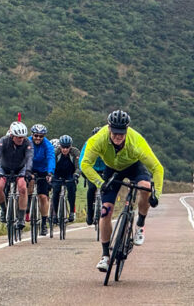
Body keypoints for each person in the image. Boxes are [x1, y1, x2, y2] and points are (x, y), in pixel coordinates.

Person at [79, 110, 163, 272]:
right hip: (112, 168)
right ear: (109, 128)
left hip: (134, 167)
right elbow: (85, 164)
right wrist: (100, 183)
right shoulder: (99, 139)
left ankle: (140, 224)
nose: (118, 136)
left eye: (122, 133)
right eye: (115, 132)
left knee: (145, 187)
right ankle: (105, 256)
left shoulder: (136, 142)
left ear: (127, 130)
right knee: (105, 211)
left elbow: (157, 168)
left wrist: (156, 194)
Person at [0, 121, 33, 229]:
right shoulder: (4, 141)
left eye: (22, 137)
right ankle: (4, 209)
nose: (21, 139)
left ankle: (20, 217)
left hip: (20, 168)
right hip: (4, 168)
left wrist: (28, 171)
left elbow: (29, 157)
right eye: (18, 137)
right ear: (11, 136)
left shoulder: (27, 143)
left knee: (22, 188)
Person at [29, 124, 55, 236]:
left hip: (43, 170)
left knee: (43, 197)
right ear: (32, 135)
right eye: (36, 135)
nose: (38, 138)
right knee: (27, 185)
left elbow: (51, 158)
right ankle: (28, 204)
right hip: (29, 168)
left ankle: (44, 224)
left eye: (41, 136)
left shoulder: (48, 145)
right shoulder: (27, 142)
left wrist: (50, 172)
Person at [50, 134, 80, 224]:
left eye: (67, 147)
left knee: (72, 190)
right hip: (57, 173)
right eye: (63, 147)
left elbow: (78, 166)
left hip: (70, 173)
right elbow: (51, 165)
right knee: (55, 191)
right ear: (60, 146)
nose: (65, 149)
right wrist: (50, 174)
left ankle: (71, 211)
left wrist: (76, 175)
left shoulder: (75, 152)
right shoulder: (56, 152)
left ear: (70, 146)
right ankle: (55, 214)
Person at [83, 126, 106, 226]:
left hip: (105, 169)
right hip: (92, 170)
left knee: (106, 190)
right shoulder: (88, 144)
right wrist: (83, 170)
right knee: (91, 188)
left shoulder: (108, 144)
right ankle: (90, 213)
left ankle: (106, 211)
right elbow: (82, 159)